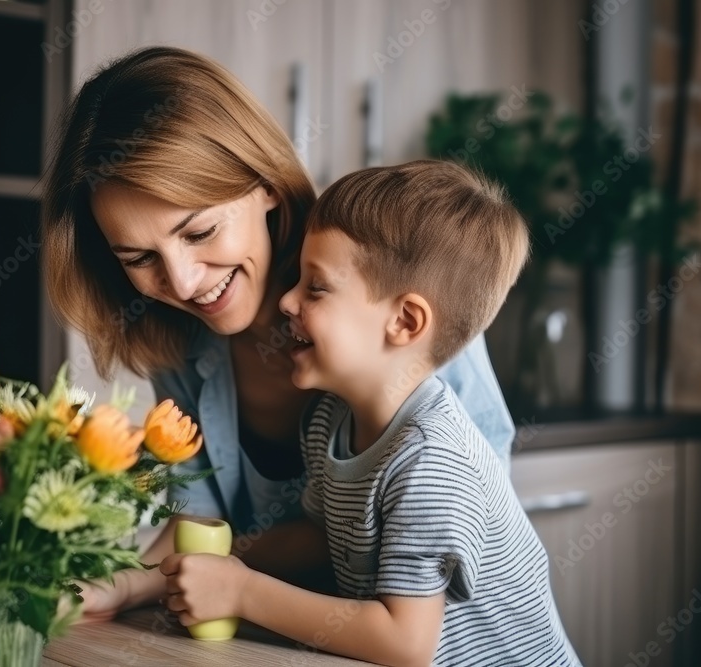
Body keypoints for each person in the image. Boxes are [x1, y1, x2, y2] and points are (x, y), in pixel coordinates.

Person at [42, 46, 516, 618]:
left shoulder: (395, 280)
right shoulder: (178, 344)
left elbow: (458, 523)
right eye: (140, 257)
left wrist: (234, 578)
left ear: (263, 183)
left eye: (200, 232)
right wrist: (123, 584)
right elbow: (203, 525)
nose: (184, 282)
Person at [159, 161, 581, 666]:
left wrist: (242, 592)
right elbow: (321, 540)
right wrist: (220, 558)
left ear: (404, 321)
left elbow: (404, 645)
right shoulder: (328, 425)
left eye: (315, 287)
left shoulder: (432, 462)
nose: (288, 301)